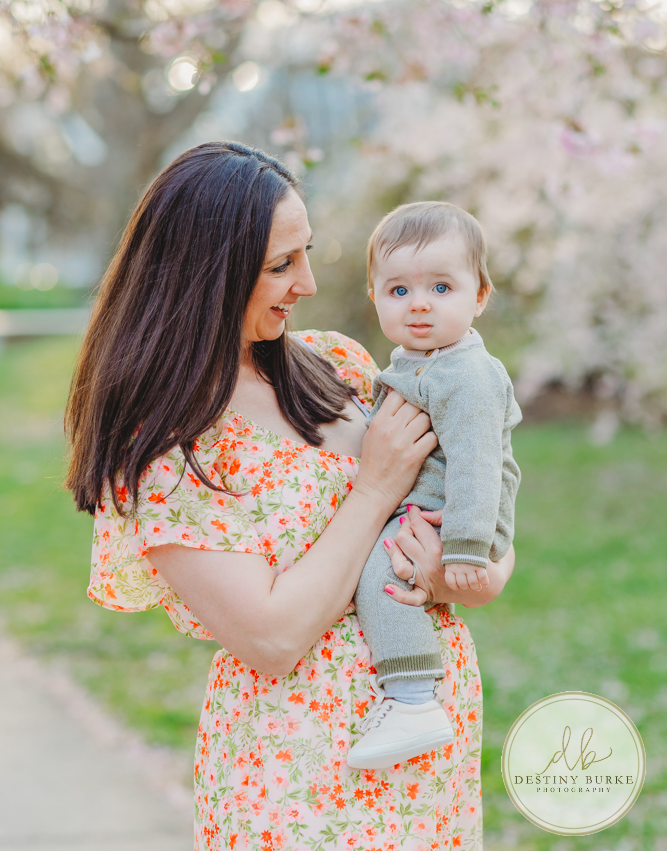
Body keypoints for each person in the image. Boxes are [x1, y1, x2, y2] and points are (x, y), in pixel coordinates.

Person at [65, 142, 515, 850]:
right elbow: (270, 637)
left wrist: (463, 572)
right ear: (205, 272)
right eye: (280, 264)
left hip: (429, 746)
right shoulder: (170, 446)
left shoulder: (337, 365)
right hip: (298, 771)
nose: (306, 282)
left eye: (305, 253)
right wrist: (372, 488)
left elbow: (476, 515)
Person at [347, 202, 521, 771]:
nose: (419, 302)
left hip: (451, 514)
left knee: (381, 578)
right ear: (374, 298)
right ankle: (410, 692)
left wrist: (470, 545)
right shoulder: (423, 361)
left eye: (441, 286)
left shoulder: (464, 373)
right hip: (431, 506)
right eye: (398, 290)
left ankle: (414, 701)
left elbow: (477, 462)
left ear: (480, 296)